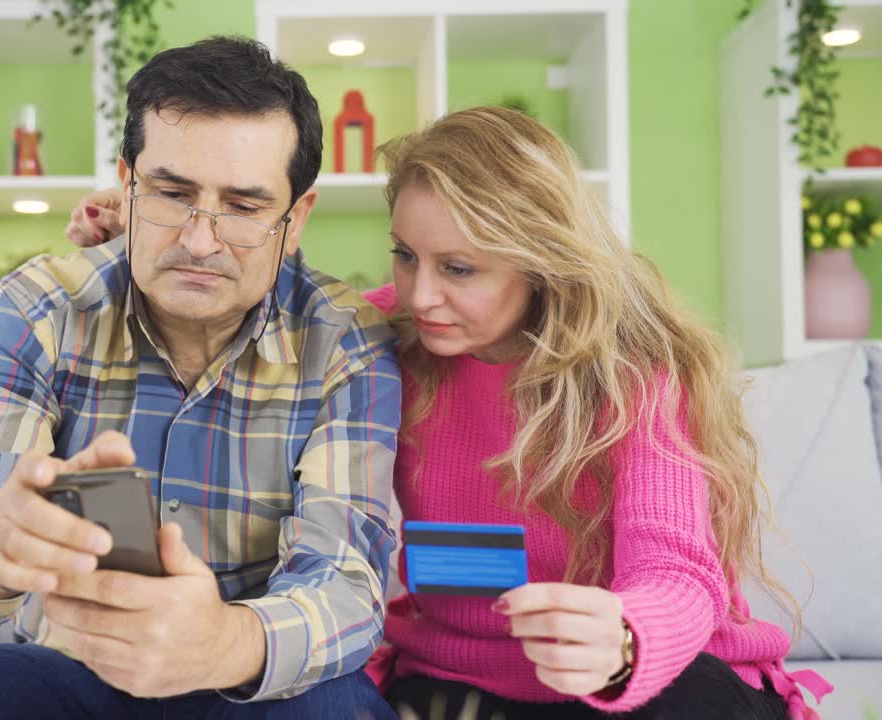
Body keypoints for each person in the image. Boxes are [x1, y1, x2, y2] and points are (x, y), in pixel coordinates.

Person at [64, 106, 834, 719]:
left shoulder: (633, 374)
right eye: (406, 255)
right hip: (455, 676)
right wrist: (158, 239)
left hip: (644, 681)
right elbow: (270, 308)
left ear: (543, 261)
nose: (420, 293)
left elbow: (676, 571)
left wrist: (627, 642)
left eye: (459, 268)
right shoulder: (386, 337)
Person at [0, 36, 402, 720]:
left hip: (252, 681)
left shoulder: (346, 338)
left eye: (243, 207)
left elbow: (346, 585)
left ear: (294, 219)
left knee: (337, 712)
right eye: (171, 193)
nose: (200, 241)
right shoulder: (42, 309)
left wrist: (220, 641)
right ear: (127, 183)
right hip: (72, 674)